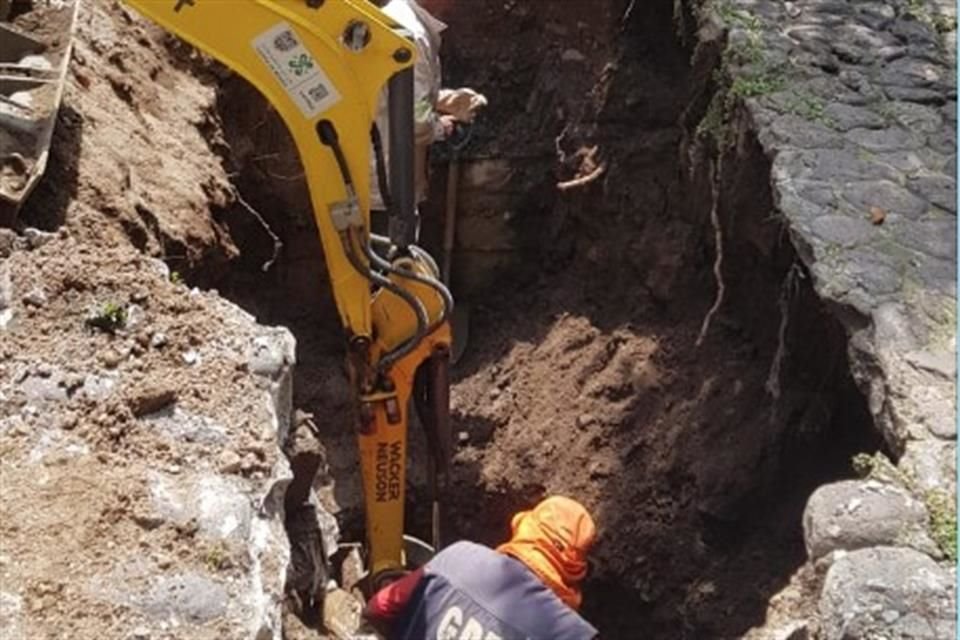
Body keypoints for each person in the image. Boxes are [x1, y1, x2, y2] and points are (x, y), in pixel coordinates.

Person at [364, 496, 600, 639]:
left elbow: (377, 608)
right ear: (575, 570)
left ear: (523, 529)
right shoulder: (572, 634)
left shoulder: (458, 557)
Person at [368, 0, 486, 246]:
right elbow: (416, 122)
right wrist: (443, 126)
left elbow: (393, 92)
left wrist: (448, 100)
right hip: (388, 185)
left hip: (378, 173)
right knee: (392, 270)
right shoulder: (413, 33)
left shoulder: (398, 18)